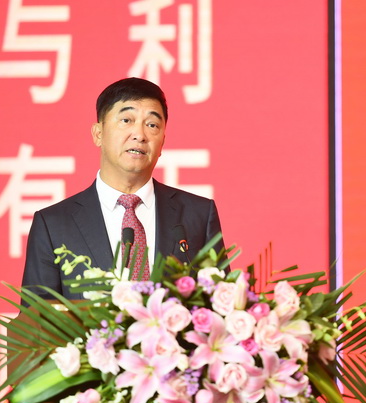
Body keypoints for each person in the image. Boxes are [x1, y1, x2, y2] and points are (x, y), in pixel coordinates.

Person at [21, 77, 225, 300]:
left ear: (162, 143)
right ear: (98, 134)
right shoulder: (53, 225)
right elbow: (37, 316)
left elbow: (221, 302)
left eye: (152, 125)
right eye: (126, 120)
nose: (140, 135)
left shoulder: (197, 215)